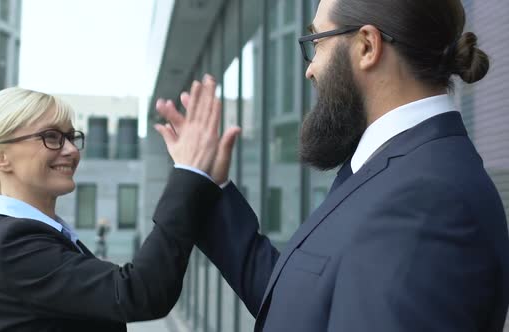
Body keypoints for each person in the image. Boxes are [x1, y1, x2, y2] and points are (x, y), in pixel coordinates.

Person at [154, 0, 509, 331]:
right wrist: (210, 184)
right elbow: (303, 302)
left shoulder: (431, 203)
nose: (310, 69)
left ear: (367, 46)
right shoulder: (394, 166)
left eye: (317, 41)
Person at [0, 87, 222, 331]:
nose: (71, 150)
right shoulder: (13, 244)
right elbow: (140, 291)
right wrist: (189, 173)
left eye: (71, 137)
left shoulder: (35, 234)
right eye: (51, 137)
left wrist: (204, 179)